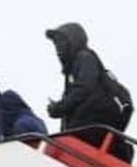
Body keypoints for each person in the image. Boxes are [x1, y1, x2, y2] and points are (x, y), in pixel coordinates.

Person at [45, 22, 132, 159]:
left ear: (73, 40)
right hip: (93, 124)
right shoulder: (73, 70)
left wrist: (60, 107)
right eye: (55, 44)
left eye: (61, 42)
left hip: (94, 120)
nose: (57, 47)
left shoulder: (84, 57)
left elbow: (84, 87)